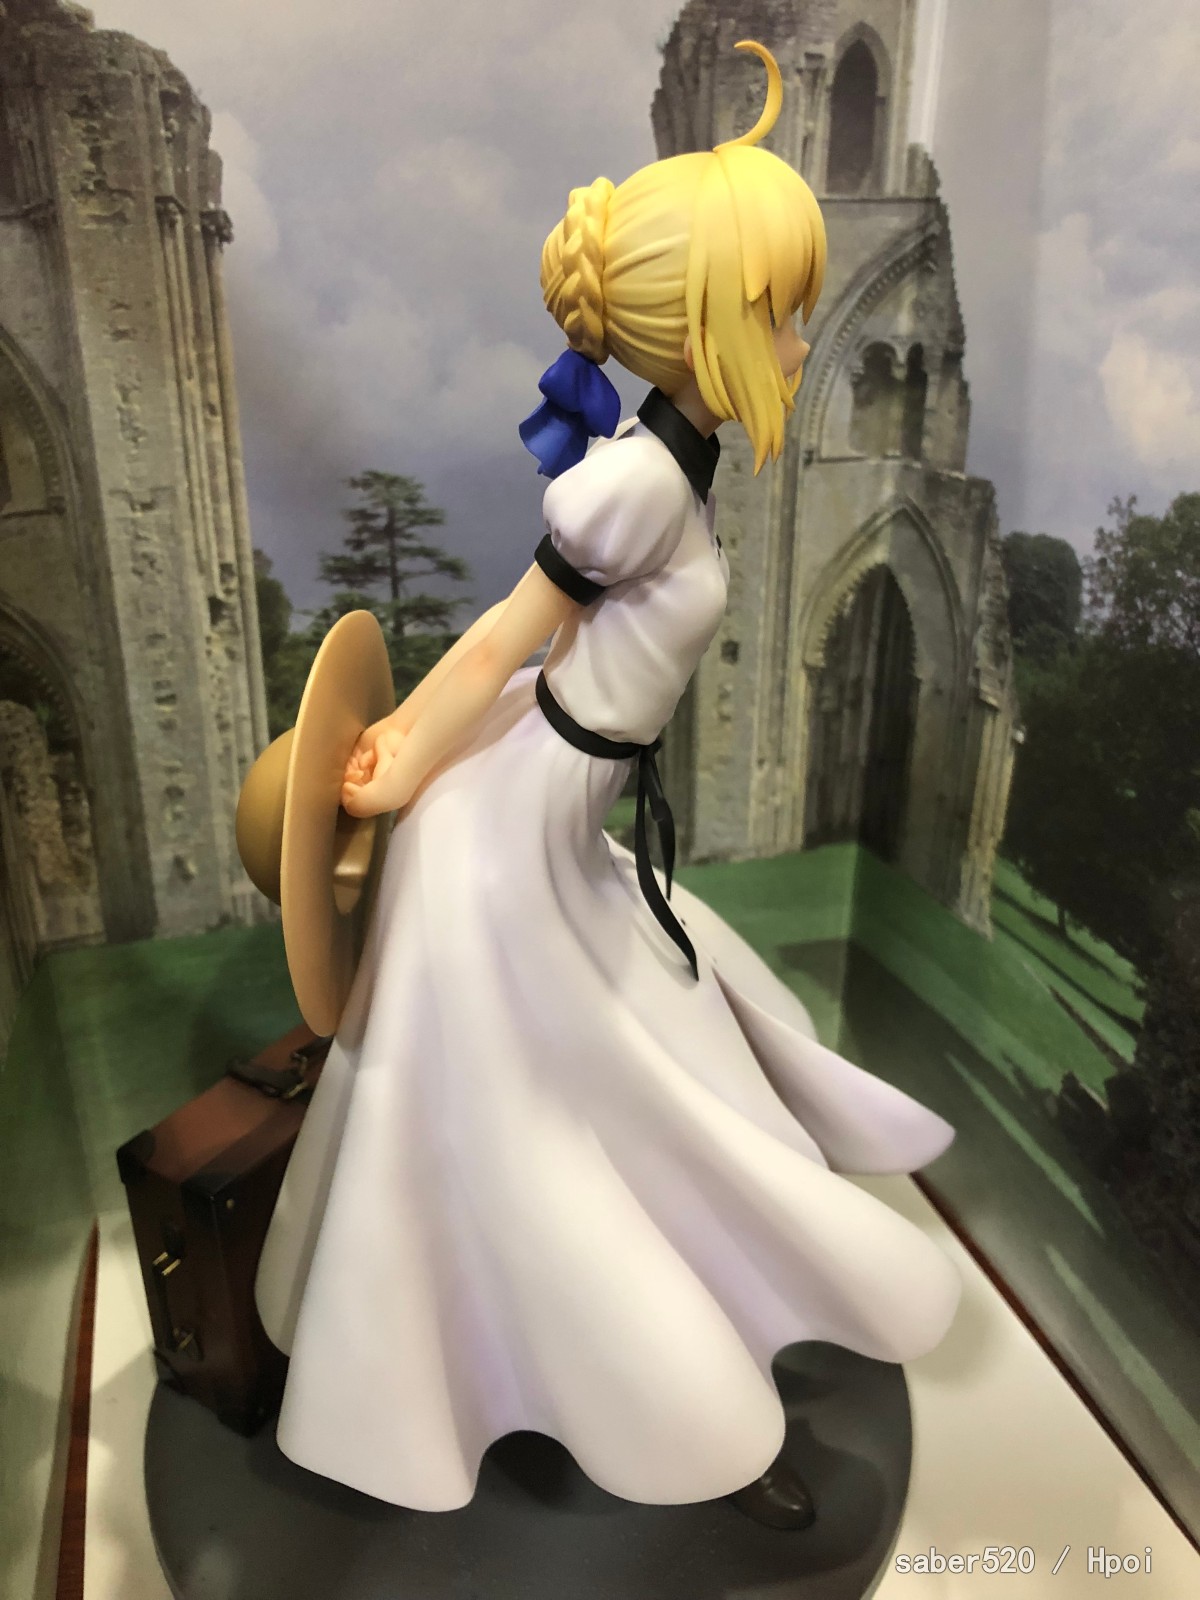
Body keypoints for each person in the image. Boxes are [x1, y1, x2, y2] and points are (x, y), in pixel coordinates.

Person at [254, 41, 961, 1531]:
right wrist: (401, 758)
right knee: (538, 1116)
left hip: (564, 807)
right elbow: (505, 638)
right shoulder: (632, 484)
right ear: (706, 324)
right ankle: (659, 1405)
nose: (800, 340)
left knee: (672, 1045)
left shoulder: (668, 464)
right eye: (778, 311)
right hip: (510, 827)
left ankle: (705, 1335)